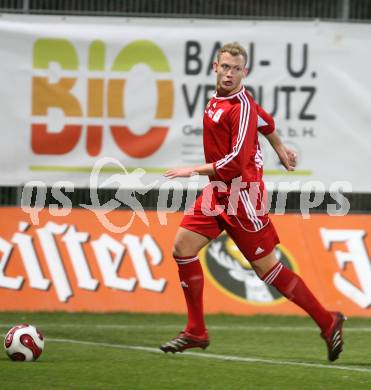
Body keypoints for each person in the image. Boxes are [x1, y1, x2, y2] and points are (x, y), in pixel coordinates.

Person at [160, 42, 345, 361]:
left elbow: (236, 162)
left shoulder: (239, 106)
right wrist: (280, 148)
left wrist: (193, 169)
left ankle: (328, 321)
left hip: (243, 197)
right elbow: (267, 121)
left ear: (245, 72)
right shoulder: (221, 100)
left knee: (267, 269)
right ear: (214, 67)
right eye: (225, 66)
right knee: (182, 248)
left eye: (236, 68)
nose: (230, 73)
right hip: (218, 193)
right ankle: (196, 331)